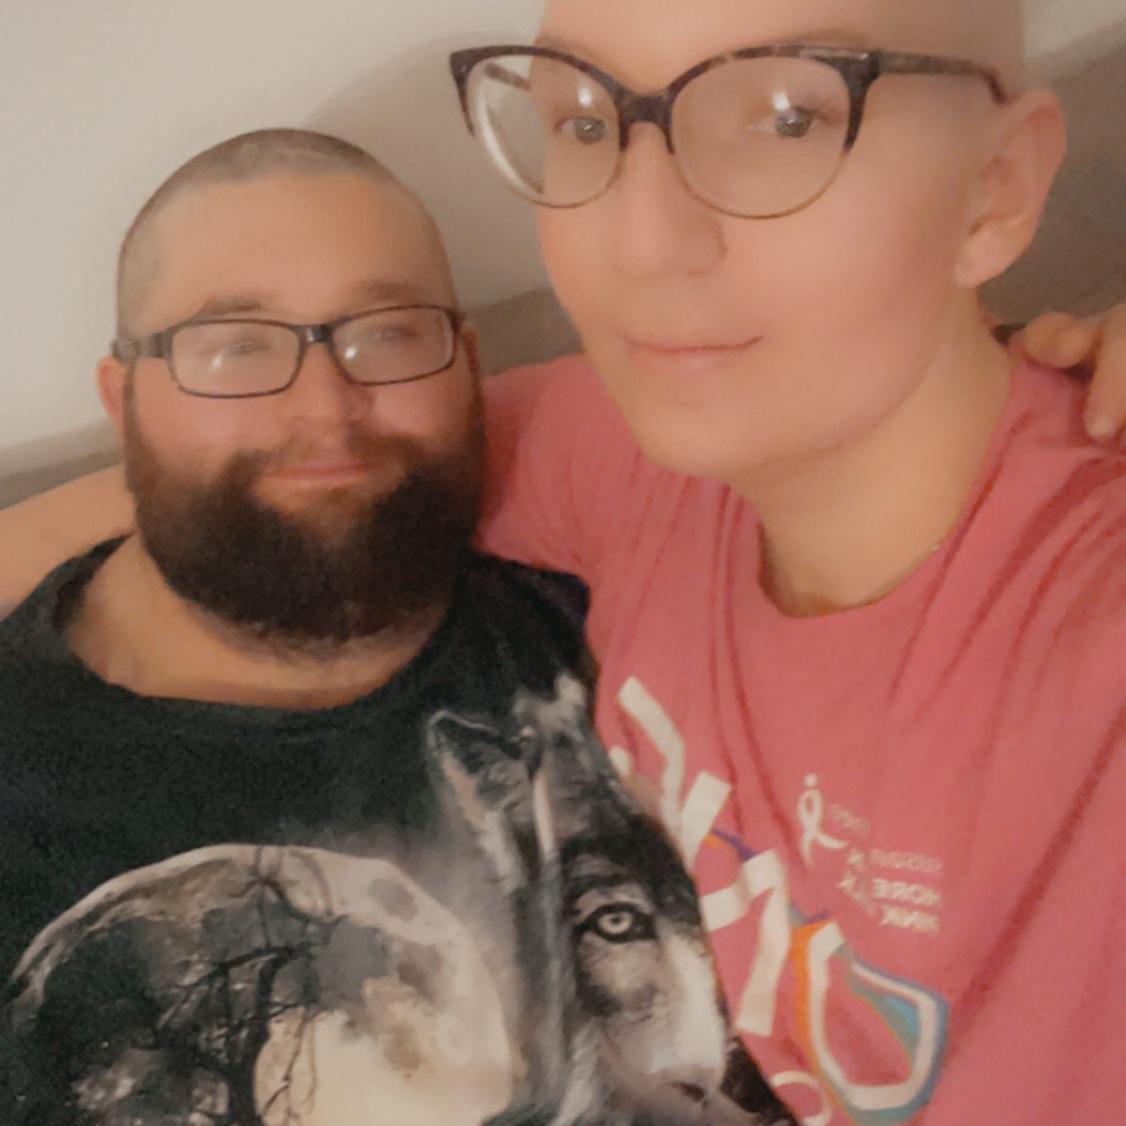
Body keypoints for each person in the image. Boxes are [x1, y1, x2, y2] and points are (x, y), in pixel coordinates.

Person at [3, 4, 1126, 1121]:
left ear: (997, 188)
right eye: (587, 123)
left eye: (787, 116)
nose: (640, 242)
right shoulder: (637, 450)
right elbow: (310, 466)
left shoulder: (1080, 628)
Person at [0, 131, 794, 1126]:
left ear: (469, 364)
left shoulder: (622, 574)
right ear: (124, 402)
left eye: (387, 333)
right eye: (235, 347)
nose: (326, 410)